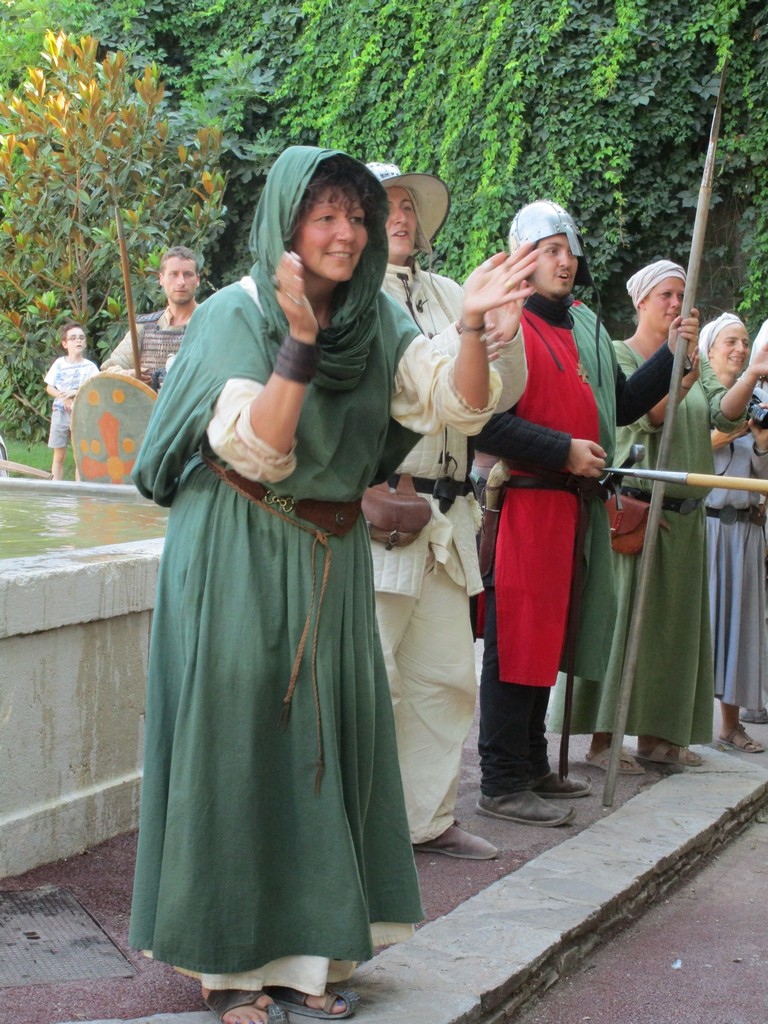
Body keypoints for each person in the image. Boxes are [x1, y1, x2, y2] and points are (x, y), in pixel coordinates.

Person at [128, 145, 531, 1024]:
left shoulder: (374, 317)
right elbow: (260, 445)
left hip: (331, 552)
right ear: (288, 223)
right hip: (239, 545)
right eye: (325, 216)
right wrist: (301, 340)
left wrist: (471, 329)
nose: (345, 233)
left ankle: (309, 954)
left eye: (356, 216)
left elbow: (455, 405)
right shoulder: (235, 314)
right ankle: (230, 963)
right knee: (240, 744)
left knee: (323, 746)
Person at [473, 213, 699, 828]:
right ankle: (501, 780)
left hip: (574, 505)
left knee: (550, 638)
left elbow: (619, 404)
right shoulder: (505, 322)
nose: (564, 261)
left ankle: (531, 762)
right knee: (516, 641)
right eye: (549, 250)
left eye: (568, 249)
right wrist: (561, 450)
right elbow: (483, 422)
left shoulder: (586, 325)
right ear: (522, 257)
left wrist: (672, 355)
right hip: (527, 501)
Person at [363, 161, 532, 860]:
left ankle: (423, 821)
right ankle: (354, 827)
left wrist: (503, 337)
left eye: (409, 205)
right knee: (372, 677)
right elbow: (405, 383)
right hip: (382, 511)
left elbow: (497, 397)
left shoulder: (451, 292)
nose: (402, 216)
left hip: (449, 516)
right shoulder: (351, 294)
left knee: (447, 678)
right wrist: (465, 334)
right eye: (387, 204)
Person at [554, 261, 768, 771]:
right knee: (623, 627)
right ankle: (603, 740)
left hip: (688, 516)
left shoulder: (698, 362)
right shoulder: (619, 354)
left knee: (674, 633)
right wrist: (681, 373)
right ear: (641, 302)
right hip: (638, 510)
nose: (676, 304)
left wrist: (753, 373)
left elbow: (725, 413)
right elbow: (647, 416)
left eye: (682, 296)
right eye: (666, 295)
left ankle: (656, 738)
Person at [700, 313, 767, 754]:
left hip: (744, 529)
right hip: (702, 525)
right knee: (697, 628)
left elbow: (763, 476)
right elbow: (681, 452)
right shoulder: (695, 399)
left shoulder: (759, 402)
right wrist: (726, 433)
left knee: (739, 630)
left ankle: (730, 725)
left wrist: (760, 442)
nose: (740, 349)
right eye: (730, 341)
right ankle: (677, 728)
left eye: (745, 341)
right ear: (709, 350)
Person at [101, 245, 201, 385]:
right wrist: (128, 375)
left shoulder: (212, 323)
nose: (181, 282)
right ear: (161, 279)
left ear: (197, 280)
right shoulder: (144, 327)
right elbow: (107, 371)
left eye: (187, 274)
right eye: (173, 274)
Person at [44, 321, 99, 480]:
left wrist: (74, 393)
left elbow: (95, 389)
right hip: (60, 413)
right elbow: (49, 387)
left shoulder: (90, 367)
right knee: (59, 456)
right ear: (65, 344)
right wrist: (63, 397)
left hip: (81, 415)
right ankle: (56, 488)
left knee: (79, 457)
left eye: (81, 338)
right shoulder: (59, 364)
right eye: (73, 338)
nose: (78, 341)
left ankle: (79, 491)